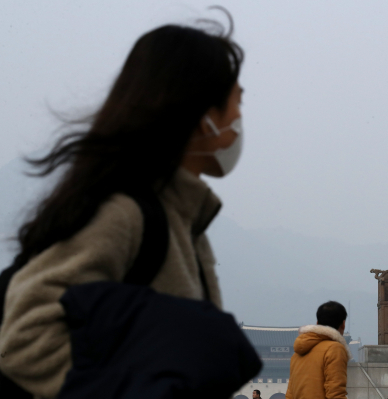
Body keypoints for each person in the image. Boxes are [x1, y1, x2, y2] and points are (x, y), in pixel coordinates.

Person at [0, 10, 247, 399]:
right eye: (236, 103)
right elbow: (24, 337)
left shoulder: (185, 221)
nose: (238, 121)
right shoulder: (126, 214)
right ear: (203, 116)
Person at [286, 301, 350, 399]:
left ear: (317, 323)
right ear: (343, 324)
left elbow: (290, 394)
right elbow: (336, 393)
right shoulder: (334, 349)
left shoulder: (297, 354)